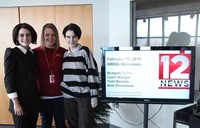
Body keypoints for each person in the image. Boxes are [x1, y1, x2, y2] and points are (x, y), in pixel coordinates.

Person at [60, 23, 99, 128]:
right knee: (72, 125)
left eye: (74, 37)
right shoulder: (64, 54)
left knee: (83, 125)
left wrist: (94, 97)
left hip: (83, 96)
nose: (71, 40)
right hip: (68, 96)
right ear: (65, 37)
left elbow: (92, 74)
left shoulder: (84, 52)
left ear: (78, 37)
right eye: (68, 37)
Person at [4, 23, 41, 128]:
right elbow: (8, 79)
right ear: (16, 37)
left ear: (32, 36)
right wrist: (15, 103)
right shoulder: (12, 53)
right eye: (21, 35)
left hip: (33, 101)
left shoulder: (33, 53)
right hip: (19, 102)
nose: (25, 38)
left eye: (28, 35)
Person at [34, 23, 66, 128]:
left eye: (53, 35)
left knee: (61, 124)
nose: (50, 37)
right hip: (43, 96)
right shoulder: (35, 52)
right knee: (46, 124)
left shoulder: (63, 52)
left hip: (60, 96)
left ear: (56, 36)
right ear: (43, 36)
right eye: (47, 34)